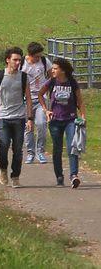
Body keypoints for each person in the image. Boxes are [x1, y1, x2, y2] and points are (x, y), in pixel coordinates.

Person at [38, 57, 87, 188]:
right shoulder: (51, 82)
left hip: (70, 120)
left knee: (73, 147)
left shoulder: (72, 83)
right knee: (57, 149)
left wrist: (82, 116)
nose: (52, 70)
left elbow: (80, 102)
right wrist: (46, 110)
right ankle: (59, 176)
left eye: (55, 68)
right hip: (55, 121)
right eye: (52, 68)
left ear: (63, 70)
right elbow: (40, 94)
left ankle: (74, 175)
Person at [0, 47, 33, 188]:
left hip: (19, 117)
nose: (17, 62)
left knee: (18, 149)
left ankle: (15, 176)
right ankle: (3, 170)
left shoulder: (24, 76)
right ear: (8, 60)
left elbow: (29, 98)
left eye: (19, 60)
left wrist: (30, 118)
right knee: (3, 145)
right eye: (15, 59)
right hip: (3, 117)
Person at [22, 41, 52, 165]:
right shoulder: (22, 64)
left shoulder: (45, 62)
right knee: (28, 127)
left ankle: (40, 151)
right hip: (25, 100)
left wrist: (50, 95)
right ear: (30, 54)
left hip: (41, 99)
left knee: (41, 124)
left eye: (40, 56)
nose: (39, 58)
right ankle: (30, 152)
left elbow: (52, 78)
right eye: (36, 56)